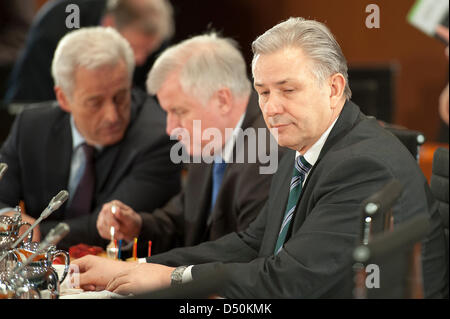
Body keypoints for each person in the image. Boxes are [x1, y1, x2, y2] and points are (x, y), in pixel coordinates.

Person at [73, 17, 447, 298]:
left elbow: (288, 280)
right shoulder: (301, 143)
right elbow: (253, 243)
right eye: (263, 92)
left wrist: (168, 279)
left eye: (288, 89)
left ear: (333, 89)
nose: (272, 107)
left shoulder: (362, 166)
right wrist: (144, 267)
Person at [95, 33, 283, 256]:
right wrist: (136, 227)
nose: (170, 128)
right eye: (167, 112)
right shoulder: (209, 142)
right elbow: (182, 222)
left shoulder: (268, 151)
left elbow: (242, 255)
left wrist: (147, 271)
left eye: (179, 111)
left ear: (222, 100)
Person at [0, 27, 181, 250]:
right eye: (95, 102)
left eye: (121, 96)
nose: (112, 115)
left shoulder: (159, 137)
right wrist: (6, 217)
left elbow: (103, 229)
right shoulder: (31, 126)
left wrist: (29, 234)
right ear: (63, 98)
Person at [3, 0, 174, 105]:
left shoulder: (154, 39)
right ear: (109, 26)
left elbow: (155, 106)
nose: (140, 60)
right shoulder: (58, 27)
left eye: (148, 50)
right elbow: (28, 105)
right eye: (134, 49)